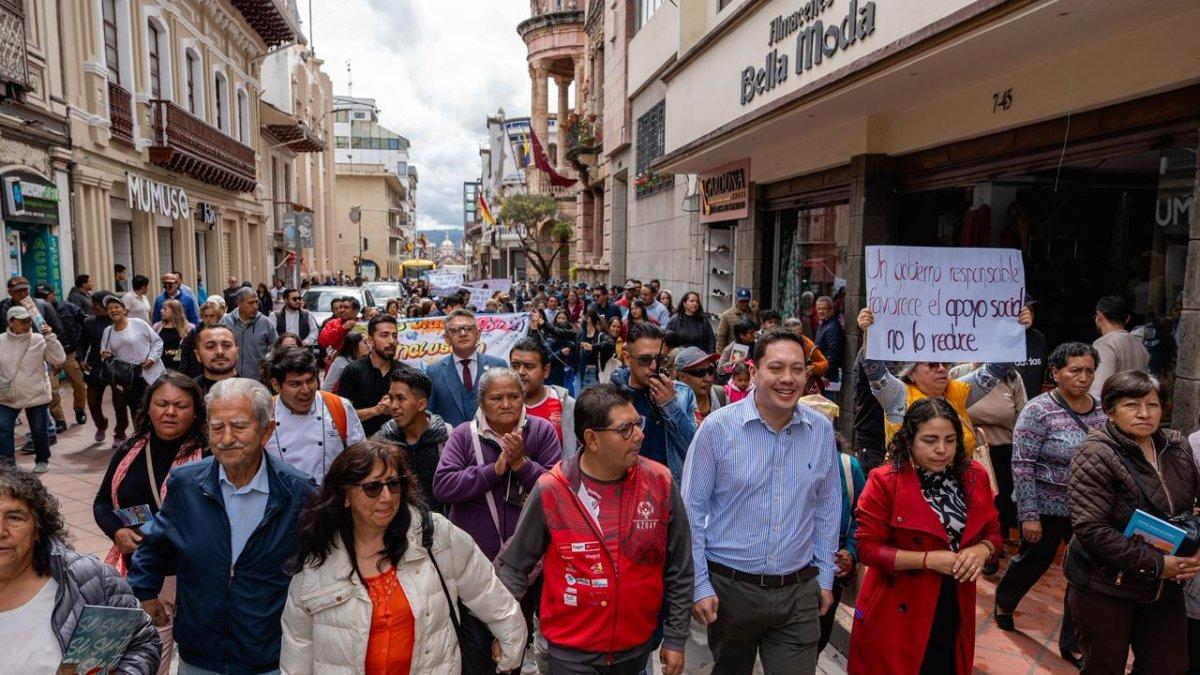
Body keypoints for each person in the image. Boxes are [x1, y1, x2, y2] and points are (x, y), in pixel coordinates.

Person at [280, 440, 527, 674]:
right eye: (372, 487)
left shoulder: (434, 536)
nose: (386, 497)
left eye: (393, 484)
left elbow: (487, 590)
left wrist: (510, 646)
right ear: (345, 496)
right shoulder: (318, 564)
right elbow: (298, 650)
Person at [498, 384, 694, 675]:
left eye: (637, 423)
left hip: (637, 651)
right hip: (570, 656)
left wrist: (676, 637)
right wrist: (503, 630)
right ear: (592, 438)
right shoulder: (553, 489)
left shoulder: (660, 482)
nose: (639, 435)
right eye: (625, 429)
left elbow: (680, 566)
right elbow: (514, 566)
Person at [128, 378, 318, 674]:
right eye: (217, 427)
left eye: (239, 426)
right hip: (199, 655)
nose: (226, 438)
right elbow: (157, 543)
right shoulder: (186, 484)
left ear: (267, 430)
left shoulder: (299, 493)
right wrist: (144, 590)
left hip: (269, 657)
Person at [682, 329, 840, 674]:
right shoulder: (717, 429)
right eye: (777, 368)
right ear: (753, 372)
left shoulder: (821, 431)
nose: (788, 379)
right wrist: (699, 585)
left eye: (798, 369)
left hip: (798, 591)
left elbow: (828, 508)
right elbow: (691, 510)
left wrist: (825, 576)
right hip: (730, 591)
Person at [848, 398, 1002, 674]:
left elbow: (993, 532)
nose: (942, 450)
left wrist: (983, 550)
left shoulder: (975, 475)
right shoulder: (885, 481)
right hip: (897, 607)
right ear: (909, 440)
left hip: (954, 601)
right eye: (930, 440)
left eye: (950, 440)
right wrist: (928, 559)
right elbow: (869, 549)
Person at [1065, 370, 1200, 674]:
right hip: (1105, 583)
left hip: (1161, 586)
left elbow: (1193, 507)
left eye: (1152, 405)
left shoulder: (1175, 446)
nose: (1144, 413)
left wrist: (1193, 551)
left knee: (1169, 665)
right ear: (1110, 411)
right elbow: (1091, 529)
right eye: (1131, 405)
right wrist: (1158, 564)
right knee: (1104, 666)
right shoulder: (1095, 453)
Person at [990, 342, 1103, 666]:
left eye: (1089, 371)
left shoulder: (1100, 411)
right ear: (1055, 373)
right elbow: (1022, 465)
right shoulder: (1038, 411)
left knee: (1083, 574)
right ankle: (1005, 601)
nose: (1083, 378)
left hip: (1087, 510)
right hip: (1044, 508)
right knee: (1033, 562)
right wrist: (1029, 516)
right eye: (1075, 370)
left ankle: (1072, 642)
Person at [93, 372, 207, 673]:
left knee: (201, 658)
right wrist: (117, 530)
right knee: (151, 658)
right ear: (149, 408)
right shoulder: (130, 450)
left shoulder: (208, 455)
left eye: (180, 405)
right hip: (144, 575)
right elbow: (103, 503)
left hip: (196, 576)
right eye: (162, 404)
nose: (169, 412)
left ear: (195, 411)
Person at [0, 464, 161, 673]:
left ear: (38, 528)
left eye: (14, 517)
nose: (1, 531)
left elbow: (142, 643)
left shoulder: (86, 580)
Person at [856, 305, 1033, 455]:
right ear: (911, 372)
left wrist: (1016, 331)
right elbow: (876, 371)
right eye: (932, 365)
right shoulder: (897, 396)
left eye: (945, 363)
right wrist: (869, 334)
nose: (942, 369)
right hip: (909, 489)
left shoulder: (957, 392)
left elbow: (995, 370)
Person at [433, 367, 562, 561]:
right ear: (482, 402)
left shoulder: (542, 430)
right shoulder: (464, 435)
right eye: (496, 398)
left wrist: (521, 465)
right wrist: (492, 471)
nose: (506, 404)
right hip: (473, 556)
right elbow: (443, 487)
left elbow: (558, 491)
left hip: (530, 556)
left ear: (523, 397)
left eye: (514, 396)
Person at [608, 321, 696, 482]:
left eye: (660, 359)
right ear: (627, 358)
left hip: (669, 489)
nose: (653, 366)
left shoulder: (681, 393)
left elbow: (693, 451)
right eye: (645, 360)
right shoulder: (610, 397)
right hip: (626, 491)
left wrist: (670, 405)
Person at [265, 347, 365, 484]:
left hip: (330, 498)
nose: (306, 390)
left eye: (311, 381)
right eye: (296, 384)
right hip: (284, 501)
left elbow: (360, 457)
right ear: (276, 385)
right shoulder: (264, 414)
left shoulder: (338, 406)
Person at [372, 367, 452, 514]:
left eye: (401, 399)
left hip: (439, 529)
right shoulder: (380, 442)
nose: (393, 406)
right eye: (391, 398)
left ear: (421, 404)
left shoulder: (447, 438)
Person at [0, 306, 65, 472]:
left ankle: (42, 460)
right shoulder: (1, 341)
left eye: (28, 320)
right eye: (22, 321)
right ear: (10, 322)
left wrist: (50, 337)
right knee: (4, 429)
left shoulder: (39, 339)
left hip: (35, 391)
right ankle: (9, 464)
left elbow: (58, 359)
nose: (26, 323)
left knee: (39, 430)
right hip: (8, 393)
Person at [337, 315, 418, 436]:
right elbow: (342, 415)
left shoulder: (406, 372)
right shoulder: (353, 371)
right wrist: (376, 410)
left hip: (399, 444)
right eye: (384, 335)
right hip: (363, 444)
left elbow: (415, 415)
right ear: (370, 341)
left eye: (394, 336)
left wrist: (398, 406)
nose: (391, 341)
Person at [426, 309, 508, 428]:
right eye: (455, 330)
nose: (463, 333)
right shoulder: (433, 372)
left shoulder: (498, 366)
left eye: (469, 328)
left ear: (478, 334)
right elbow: (430, 417)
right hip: (450, 443)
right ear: (447, 338)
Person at [510, 336, 577, 457]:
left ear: (546, 370)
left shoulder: (567, 405)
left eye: (529, 366)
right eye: (514, 366)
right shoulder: (497, 405)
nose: (520, 372)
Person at [36, 283, 87, 430]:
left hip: (70, 353)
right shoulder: (37, 312)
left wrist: (80, 346)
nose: (44, 299)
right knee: (52, 389)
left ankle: (79, 409)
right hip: (49, 355)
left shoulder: (69, 307)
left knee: (79, 386)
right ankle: (59, 419)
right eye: (40, 297)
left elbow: (85, 322)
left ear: (53, 293)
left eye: (46, 295)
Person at [1090, 295, 1150, 397]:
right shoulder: (1140, 346)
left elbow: (1098, 390)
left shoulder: (1104, 344)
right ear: (1127, 319)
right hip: (1134, 405)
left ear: (1099, 315)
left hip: (1114, 408)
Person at [221, 286, 278, 384]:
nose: (255, 306)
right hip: (231, 380)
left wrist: (267, 365)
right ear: (239, 303)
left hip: (258, 380)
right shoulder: (226, 321)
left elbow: (276, 347)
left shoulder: (265, 322)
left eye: (257, 302)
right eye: (250, 303)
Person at [674, 347, 726, 427]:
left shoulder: (720, 394)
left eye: (710, 370)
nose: (708, 378)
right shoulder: (673, 406)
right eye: (700, 372)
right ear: (682, 377)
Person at [192, 323, 239, 395]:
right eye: (210, 346)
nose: (219, 352)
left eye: (226, 345)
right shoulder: (189, 392)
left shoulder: (254, 390)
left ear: (237, 352)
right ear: (198, 355)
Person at [577, 309, 615, 390]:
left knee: (593, 400)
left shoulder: (600, 335)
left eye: (583, 316)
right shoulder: (581, 334)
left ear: (589, 319)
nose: (580, 318)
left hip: (594, 371)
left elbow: (611, 343)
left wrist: (593, 346)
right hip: (580, 372)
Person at [153, 299, 193, 373]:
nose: (161, 311)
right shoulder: (157, 327)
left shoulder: (189, 328)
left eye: (165, 309)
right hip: (162, 368)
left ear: (174, 311)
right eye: (162, 308)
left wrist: (172, 352)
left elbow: (189, 349)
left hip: (181, 369)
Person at [813, 296, 844, 388]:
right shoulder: (824, 324)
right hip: (822, 373)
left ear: (831, 310)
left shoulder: (832, 327)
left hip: (828, 376)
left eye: (824, 309)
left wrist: (823, 374)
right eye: (819, 308)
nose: (821, 311)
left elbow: (833, 354)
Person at [715, 287, 756, 353]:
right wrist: (720, 353)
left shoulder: (753, 314)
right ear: (737, 300)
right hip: (733, 350)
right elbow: (721, 336)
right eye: (742, 301)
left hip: (750, 350)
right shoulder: (727, 315)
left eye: (746, 301)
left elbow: (758, 330)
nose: (744, 303)